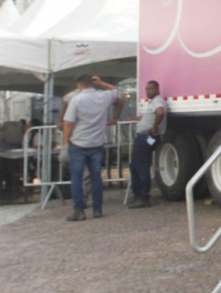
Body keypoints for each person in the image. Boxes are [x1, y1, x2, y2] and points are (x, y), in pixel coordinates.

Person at [60, 74, 123, 221]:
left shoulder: (76, 100)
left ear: (79, 85)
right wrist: (101, 83)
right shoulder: (103, 96)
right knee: (96, 178)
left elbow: (68, 123)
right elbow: (115, 90)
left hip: (79, 142)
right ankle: (97, 209)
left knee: (77, 177)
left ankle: (79, 210)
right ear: (93, 83)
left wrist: (66, 140)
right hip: (97, 142)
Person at [127, 80, 167, 208]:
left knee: (141, 166)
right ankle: (138, 194)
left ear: (157, 89)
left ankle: (143, 196)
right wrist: (134, 119)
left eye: (151, 89)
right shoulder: (153, 102)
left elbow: (160, 112)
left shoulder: (157, 101)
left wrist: (154, 127)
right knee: (135, 166)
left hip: (146, 137)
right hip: (146, 137)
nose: (148, 91)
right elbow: (150, 116)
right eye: (147, 89)